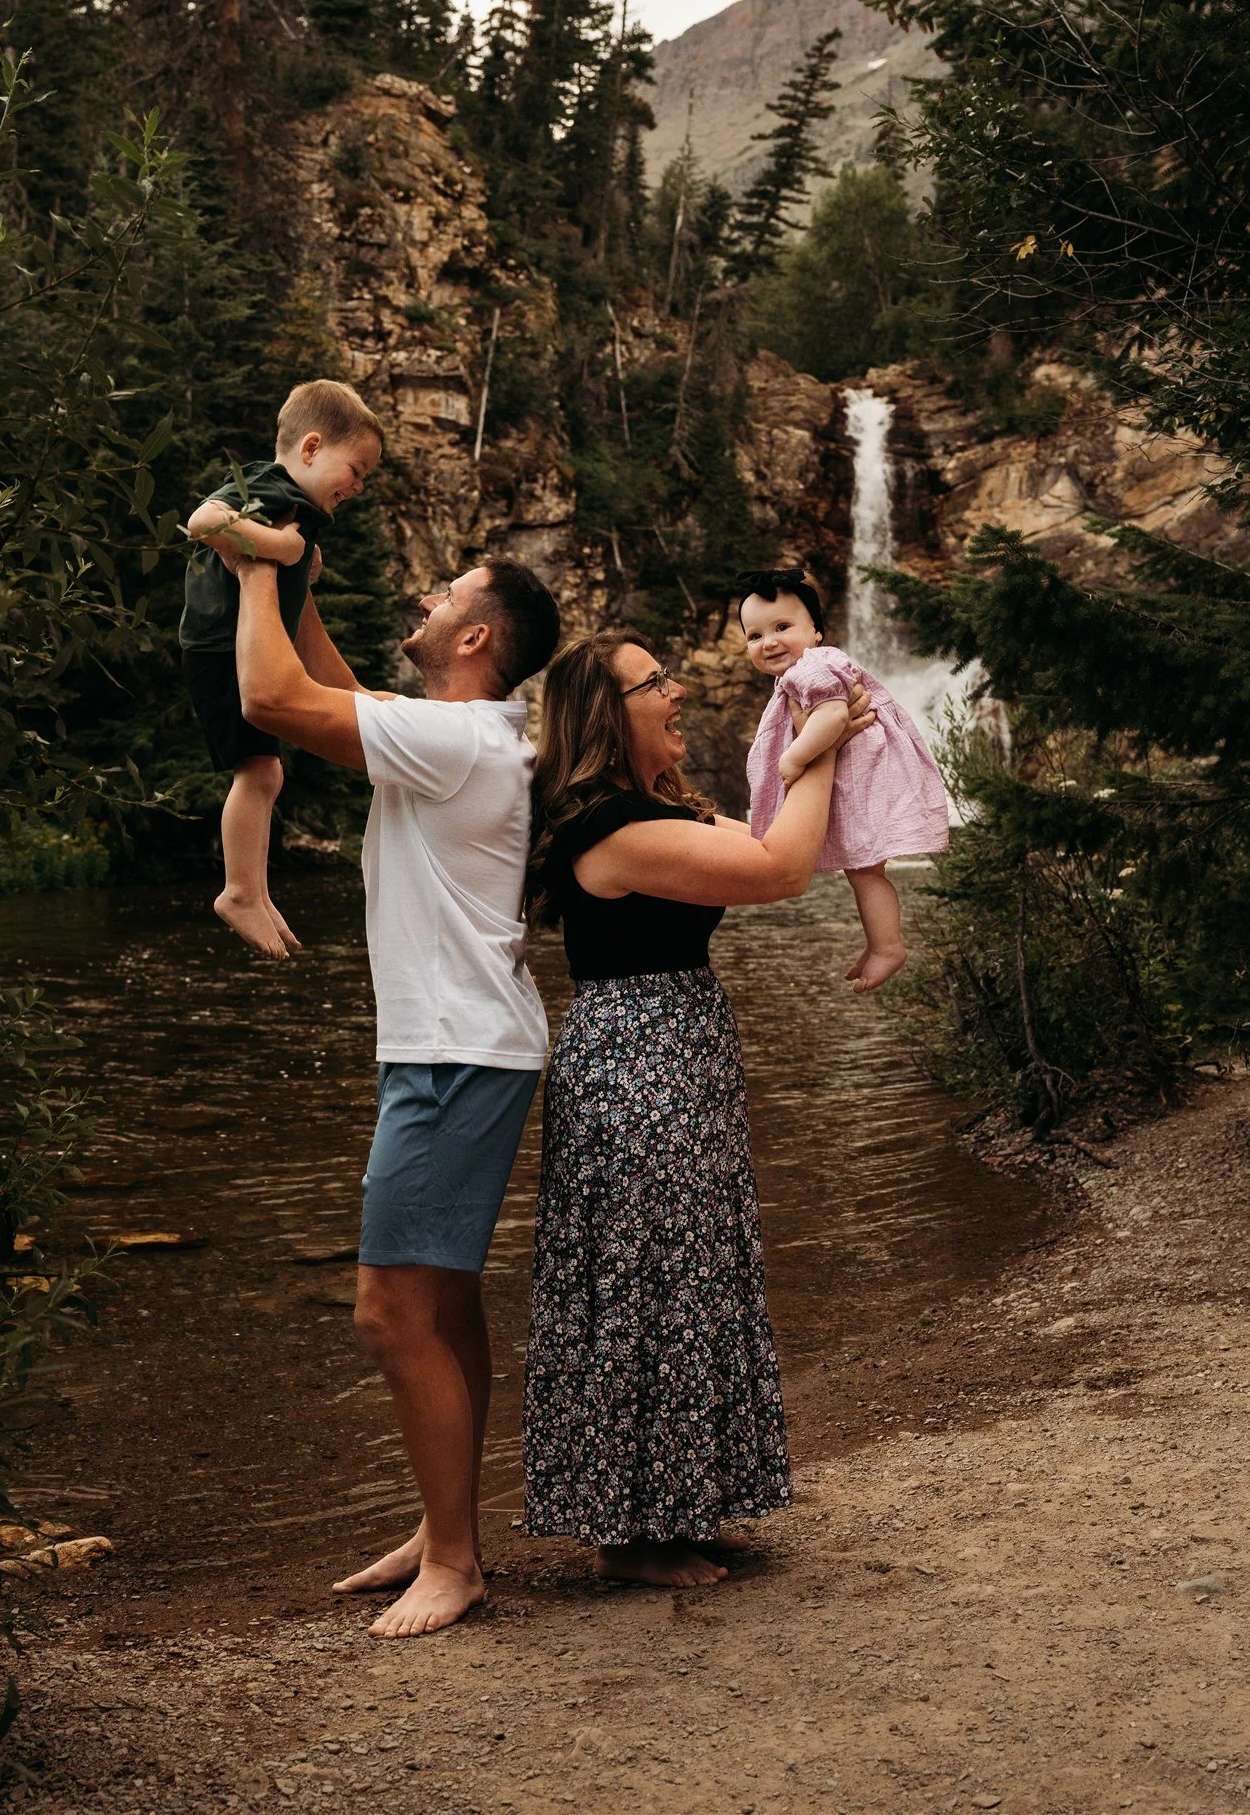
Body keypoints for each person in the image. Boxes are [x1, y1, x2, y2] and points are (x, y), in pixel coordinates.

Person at [228, 547, 561, 1637]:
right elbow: (338, 688)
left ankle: (457, 1560)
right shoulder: (466, 735)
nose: (427, 595)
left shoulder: (459, 738)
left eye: (449, 593)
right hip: (463, 1043)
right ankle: (443, 1520)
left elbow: (274, 697)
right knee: (445, 1297)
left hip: (456, 1052)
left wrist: (248, 576)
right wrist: (300, 573)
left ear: (477, 638)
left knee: (388, 1308)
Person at [521, 631, 869, 1589]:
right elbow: (780, 872)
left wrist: (804, 747)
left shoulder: (654, 806)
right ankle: (632, 1535)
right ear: (609, 712)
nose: (676, 693)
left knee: (692, 1274)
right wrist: (824, 743)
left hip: (677, 1051)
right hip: (637, 1063)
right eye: (655, 683)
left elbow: (760, 844)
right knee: (649, 1282)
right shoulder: (611, 827)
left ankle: (682, 1505)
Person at [181, 379, 384, 959]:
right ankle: (240, 892)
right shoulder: (270, 486)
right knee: (261, 774)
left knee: (265, 773)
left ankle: (256, 890)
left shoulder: (294, 503)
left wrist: (301, 556)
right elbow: (203, 520)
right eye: (357, 469)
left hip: (229, 646)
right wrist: (281, 546)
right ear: (312, 448)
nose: (359, 486)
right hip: (221, 647)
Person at [736, 566, 949, 994]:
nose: (769, 641)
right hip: (860, 778)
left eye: (782, 627)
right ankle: (881, 944)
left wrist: (794, 758)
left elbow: (834, 715)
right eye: (755, 636)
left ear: (816, 631)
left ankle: (888, 946)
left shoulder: (814, 666)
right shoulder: (798, 673)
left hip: (863, 778)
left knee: (866, 874)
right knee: (864, 873)